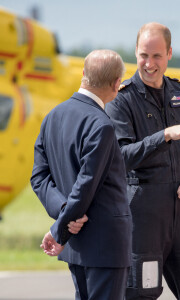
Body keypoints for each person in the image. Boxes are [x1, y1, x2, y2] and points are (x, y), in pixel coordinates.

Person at [105, 23, 180, 299]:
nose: (149, 63)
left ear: (169, 54)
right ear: (135, 53)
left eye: (156, 56)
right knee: (140, 294)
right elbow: (121, 158)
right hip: (142, 217)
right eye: (144, 55)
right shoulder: (121, 100)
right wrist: (165, 135)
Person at [31, 49, 132, 300]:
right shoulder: (102, 126)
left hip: (76, 246)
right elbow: (85, 186)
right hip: (105, 246)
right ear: (117, 84)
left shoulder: (52, 117)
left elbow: (39, 178)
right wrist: (60, 228)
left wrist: (62, 216)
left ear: (84, 74)